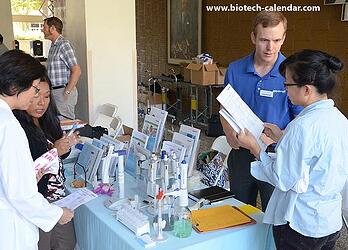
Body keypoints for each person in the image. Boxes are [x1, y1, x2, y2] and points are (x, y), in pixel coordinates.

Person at [237, 49, 348, 249]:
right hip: (329, 222)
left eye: (287, 84)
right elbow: (317, 155)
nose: (285, 90)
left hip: (301, 225)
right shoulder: (340, 119)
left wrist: (255, 147)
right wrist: (282, 136)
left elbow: (282, 178)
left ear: (306, 89)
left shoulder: (302, 127)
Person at [221, 11, 303, 211]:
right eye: (264, 40)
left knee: (273, 215)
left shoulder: (292, 74)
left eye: (276, 40)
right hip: (240, 154)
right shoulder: (235, 69)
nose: (270, 47)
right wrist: (228, 132)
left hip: (274, 155)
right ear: (253, 38)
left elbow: (300, 120)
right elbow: (224, 107)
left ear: (283, 38)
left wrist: (278, 140)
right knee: (239, 212)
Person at [0, 49, 74, 250]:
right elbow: (20, 193)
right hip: (10, 227)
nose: (36, 97)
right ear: (15, 86)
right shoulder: (9, 124)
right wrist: (57, 214)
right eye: (34, 89)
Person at [14, 75, 79, 250]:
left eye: (47, 96)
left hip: (59, 198)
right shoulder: (18, 128)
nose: (42, 102)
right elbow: (29, 171)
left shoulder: (49, 121)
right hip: (40, 202)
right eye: (36, 95)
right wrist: (54, 151)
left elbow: (58, 157)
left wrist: (65, 148)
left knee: (67, 244)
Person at [42, 16, 81, 119]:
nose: (42, 30)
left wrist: (67, 92)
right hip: (54, 92)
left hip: (63, 91)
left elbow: (76, 70)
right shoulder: (53, 46)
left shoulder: (63, 45)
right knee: (56, 125)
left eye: (44, 27)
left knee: (65, 125)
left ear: (52, 28)